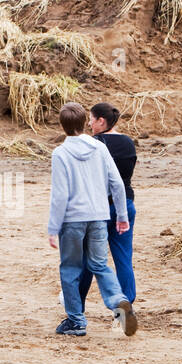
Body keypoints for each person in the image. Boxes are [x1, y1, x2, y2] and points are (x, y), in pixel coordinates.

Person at [47, 102, 138, 337]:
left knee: (70, 268)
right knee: (100, 265)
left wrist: (52, 227)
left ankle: (76, 321)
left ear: (63, 125)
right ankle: (119, 301)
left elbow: (60, 195)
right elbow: (117, 184)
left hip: (72, 219)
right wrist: (121, 215)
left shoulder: (60, 153)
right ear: (83, 123)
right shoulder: (99, 149)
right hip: (99, 215)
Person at [78, 101, 137, 312]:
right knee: (123, 258)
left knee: (88, 259)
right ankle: (126, 303)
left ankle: (78, 304)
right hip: (126, 206)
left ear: (101, 121)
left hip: (100, 208)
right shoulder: (129, 143)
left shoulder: (95, 144)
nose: (90, 125)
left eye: (92, 120)